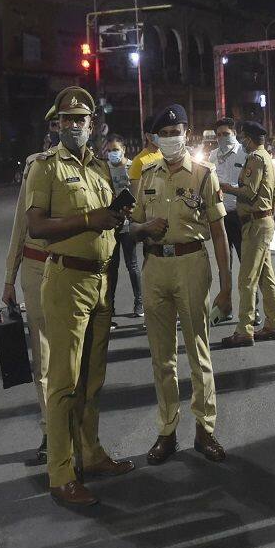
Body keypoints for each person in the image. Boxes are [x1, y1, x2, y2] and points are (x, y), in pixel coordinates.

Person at [25, 87, 133, 508]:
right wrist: (90, 218)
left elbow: (112, 223)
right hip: (67, 281)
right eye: (66, 120)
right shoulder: (45, 168)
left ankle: (91, 453)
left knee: (93, 379)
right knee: (64, 382)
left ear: (92, 124)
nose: (73, 126)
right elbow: (37, 226)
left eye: (80, 120)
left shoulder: (102, 169)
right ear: (56, 125)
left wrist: (135, 224)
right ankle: (61, 473)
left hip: (103, 282)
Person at [131, 104, 231, 464]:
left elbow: (219, 233)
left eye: (176, 132)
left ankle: (205, 430)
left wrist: (226, 284)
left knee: (198, 352)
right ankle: (167, 431)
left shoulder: (204, 175)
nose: (171, 138)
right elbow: (133, 223)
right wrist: (144, 229)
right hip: (156, 266)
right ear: (155, 138)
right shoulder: (147, 175)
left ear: (186, 134)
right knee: (161, 357)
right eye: (165, 133)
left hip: (191, 262)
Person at [3, 104, 58, 463]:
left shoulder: (96, 168)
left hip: (80, 273)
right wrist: (9, 278)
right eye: (58, 122)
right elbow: (20, 226)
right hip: (38, 271)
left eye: (74, 120)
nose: (63, 129)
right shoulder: (35, 166)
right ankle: (50, 432)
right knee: (43, 359)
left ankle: (78, 432)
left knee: (78, 358)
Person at [218, 120, 275, 348]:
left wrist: (227, 188)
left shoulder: (255, 159)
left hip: (255, 224)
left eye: (244, 137)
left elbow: (249, 192)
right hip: (264, 221)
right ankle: (273, 324)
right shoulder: (267, 158)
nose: (242, 141)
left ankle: (244, 330)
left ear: (250, 139)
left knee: (247, 279)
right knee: (266, 277)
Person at [208, 117, 247, 322]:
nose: (222, 138)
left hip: (240, 216)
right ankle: (226, 307)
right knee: (225, 266)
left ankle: (251, 309)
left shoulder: (245, 153)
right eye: (219, 135)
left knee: (246, 265)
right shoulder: (212, 155)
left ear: (234, 133)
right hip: (220, 217)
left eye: (226, 133)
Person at [103, 134, 143, 319]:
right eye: (110, 151)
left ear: (124, 150)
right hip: (111, 224)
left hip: (128, 224)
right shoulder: (104, 168)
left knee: (132, 265)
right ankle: (110, 309)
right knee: (112, 268)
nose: (113, 154)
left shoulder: (132, 167)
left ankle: (139, 303)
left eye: (116, 150)